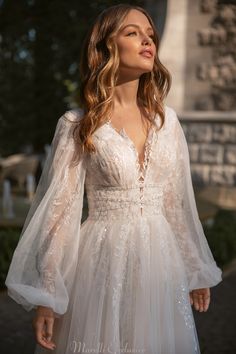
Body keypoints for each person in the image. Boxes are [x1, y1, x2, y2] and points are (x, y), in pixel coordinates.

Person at [5, 3, 222, 354]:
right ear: (106, 46)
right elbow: (60, 213)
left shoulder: (169, 123)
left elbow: (176, 203)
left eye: (150, 35)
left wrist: (195, 268)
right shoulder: (78, 125)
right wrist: (47, 295)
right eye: (133, 33)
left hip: (159, 266)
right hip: (100, 262)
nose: (147, 41)